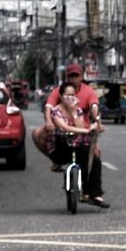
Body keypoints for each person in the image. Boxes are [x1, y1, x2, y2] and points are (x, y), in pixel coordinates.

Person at [32, 63, 102, 172]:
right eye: (71, 76)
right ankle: (56, 161)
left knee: (96, 155)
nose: (74, 79)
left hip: (82, 128)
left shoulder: (88, 92)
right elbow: (49, 107)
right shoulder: (59, 91)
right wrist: (49, 122)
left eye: (76, 76)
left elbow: (94, 108)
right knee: (37, 134)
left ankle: (90, 185)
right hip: (61, 130)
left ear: (82, 77)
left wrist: (98, 121)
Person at [50, 80, 109, 208]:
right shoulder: (56, 111)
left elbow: (80, 126)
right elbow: (65, 127)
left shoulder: (78, 110)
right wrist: (86, 130)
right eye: (67, 95)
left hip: (78, 145)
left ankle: (94, 193)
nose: (70, 98)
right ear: (61, 96)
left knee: (94, 160)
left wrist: (73, 113)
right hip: (62, 146)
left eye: (73, 95)